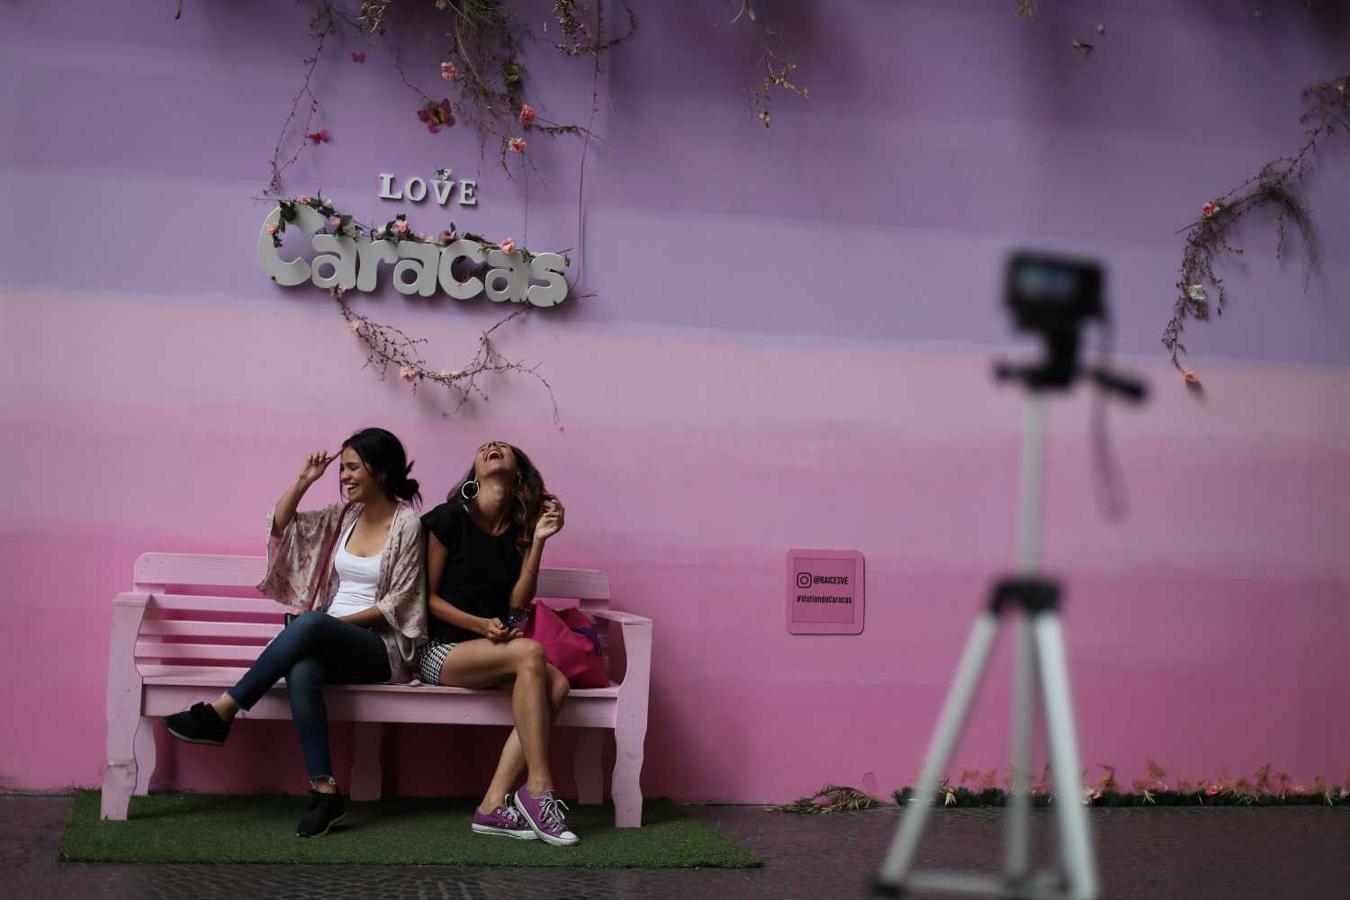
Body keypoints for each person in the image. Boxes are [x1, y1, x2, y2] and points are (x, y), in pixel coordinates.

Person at [162, 427, 427, 837]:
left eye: (354, 468)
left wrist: (323, 626)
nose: (345, 477)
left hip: (381, 648)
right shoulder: (345, 518)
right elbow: (284, 526)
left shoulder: (407, 525)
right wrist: (304, 481)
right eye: (343, 469)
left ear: (381, 471)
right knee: (302, 669)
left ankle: (225, 710)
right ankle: (325, 790)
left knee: (309, 624)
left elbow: (400, 605)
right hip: (327, 638)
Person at [418, 440, 576, 845]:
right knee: (531, 653)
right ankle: (539, 789)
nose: (492, 446)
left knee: (556, 684)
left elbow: (517, 605)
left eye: (504, 448)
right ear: (474, 472)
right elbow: (427, 599)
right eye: (486, 447)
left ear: (518, 475)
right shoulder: (449, 518)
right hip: (440, 651)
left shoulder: (516, 534)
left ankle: (491, 806)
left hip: (490, 653)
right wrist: (480, 625)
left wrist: (539, 541)